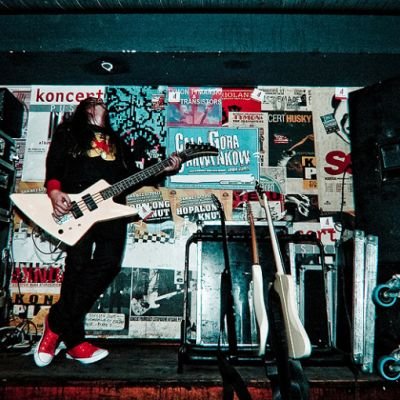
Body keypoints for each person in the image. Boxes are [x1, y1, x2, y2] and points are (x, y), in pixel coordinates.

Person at [34, 96, 181, 367]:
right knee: (77, 264)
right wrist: (54, 191)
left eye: (101, 101)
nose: (100, 101)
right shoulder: (69, 131)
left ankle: (56, 322)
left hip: (111, 210)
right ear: (85, 108)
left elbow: (133, 177)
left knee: (110, 263)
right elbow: (54, 163)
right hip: (77, 206)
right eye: (94, 101)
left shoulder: (117, 141)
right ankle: (74, 342)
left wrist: (164, 169)